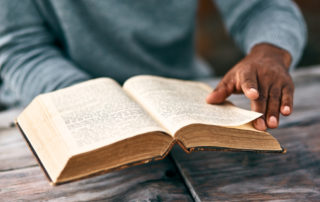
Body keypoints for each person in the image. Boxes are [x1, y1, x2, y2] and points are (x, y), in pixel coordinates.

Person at [0, 0, 306, 131]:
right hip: (52, 104)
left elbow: (263, 6)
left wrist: (271, 52)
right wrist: (99, 104)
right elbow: (21, 51)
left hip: (179, 102)